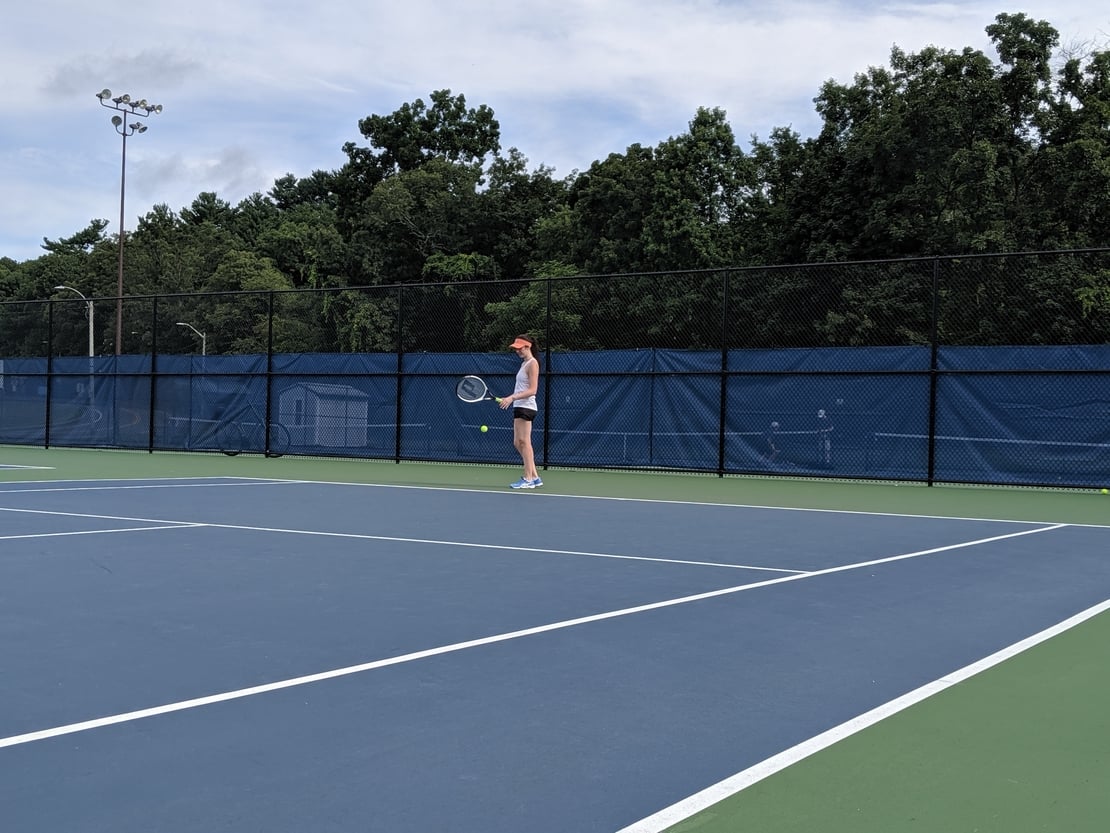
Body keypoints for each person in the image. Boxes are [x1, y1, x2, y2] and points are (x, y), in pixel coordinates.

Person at [500, 334, 542, 489]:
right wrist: (513, 399)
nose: (517, 351)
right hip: (519, 406)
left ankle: (528, 478)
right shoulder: (524, 363)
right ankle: (535, 477)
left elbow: (532, 389)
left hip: (527, 406)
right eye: (515, 349)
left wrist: (512, 397)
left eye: (519, 348)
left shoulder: (532, 363)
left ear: (528, 346)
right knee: (518, 443)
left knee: (524, 442)